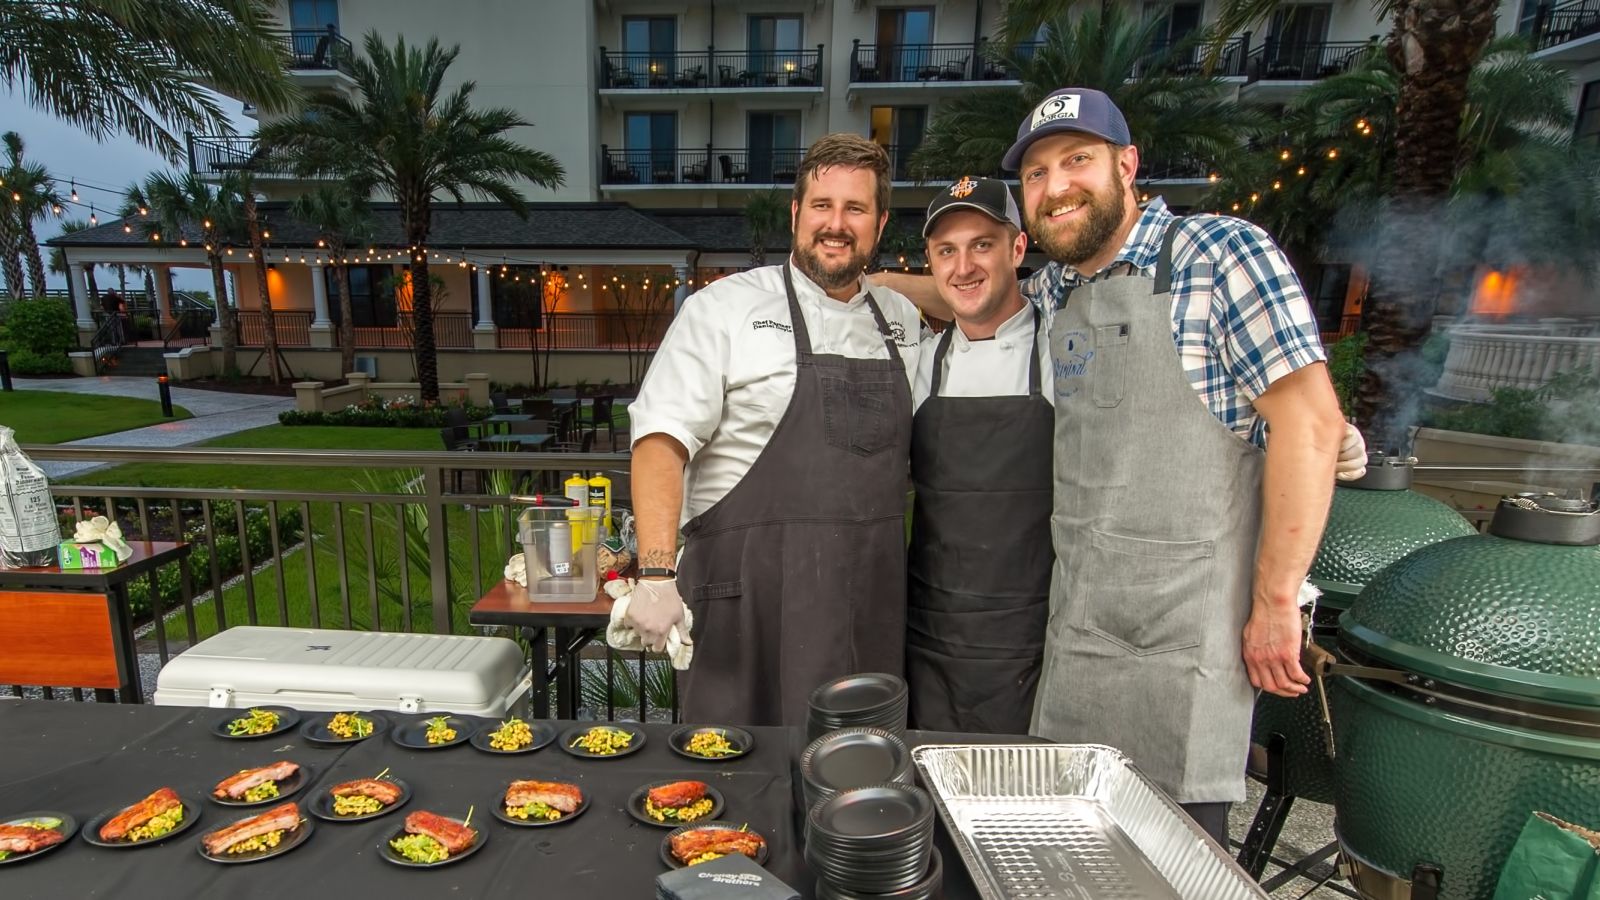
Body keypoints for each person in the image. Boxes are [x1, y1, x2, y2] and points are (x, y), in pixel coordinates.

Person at [879, 88, 1354, 845]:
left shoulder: (1219, 253)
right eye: (1036, 174)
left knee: (1170, 858)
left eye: (1077, 161)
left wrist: (1275, 602)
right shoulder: (1064, 287)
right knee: (1062, 853)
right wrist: (850, 288)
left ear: (1127, 165)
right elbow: (975, 291)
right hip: (1076, 644)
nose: (1056, 186)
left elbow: (1311, 423)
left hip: (1183, 647)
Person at [625, 134, 925, 727]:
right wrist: (656, 574)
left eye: (856, 209)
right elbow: (661, 440)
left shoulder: (903, 321)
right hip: (748, 605)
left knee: (852, 786)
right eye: (822, 206)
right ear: (796, 214)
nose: (835, 224)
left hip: (866, 608)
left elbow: (976, 297)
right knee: (733, 783)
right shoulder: (723, 309)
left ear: (880, 223)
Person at [905, 177, 1052, 734]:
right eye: (947, 251)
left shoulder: (1064, 352)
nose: (963, 266)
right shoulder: (920, 362)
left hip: (1030, 636)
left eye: (982, 245)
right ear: (932, 263)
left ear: (1017, 249)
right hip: (932, 636)